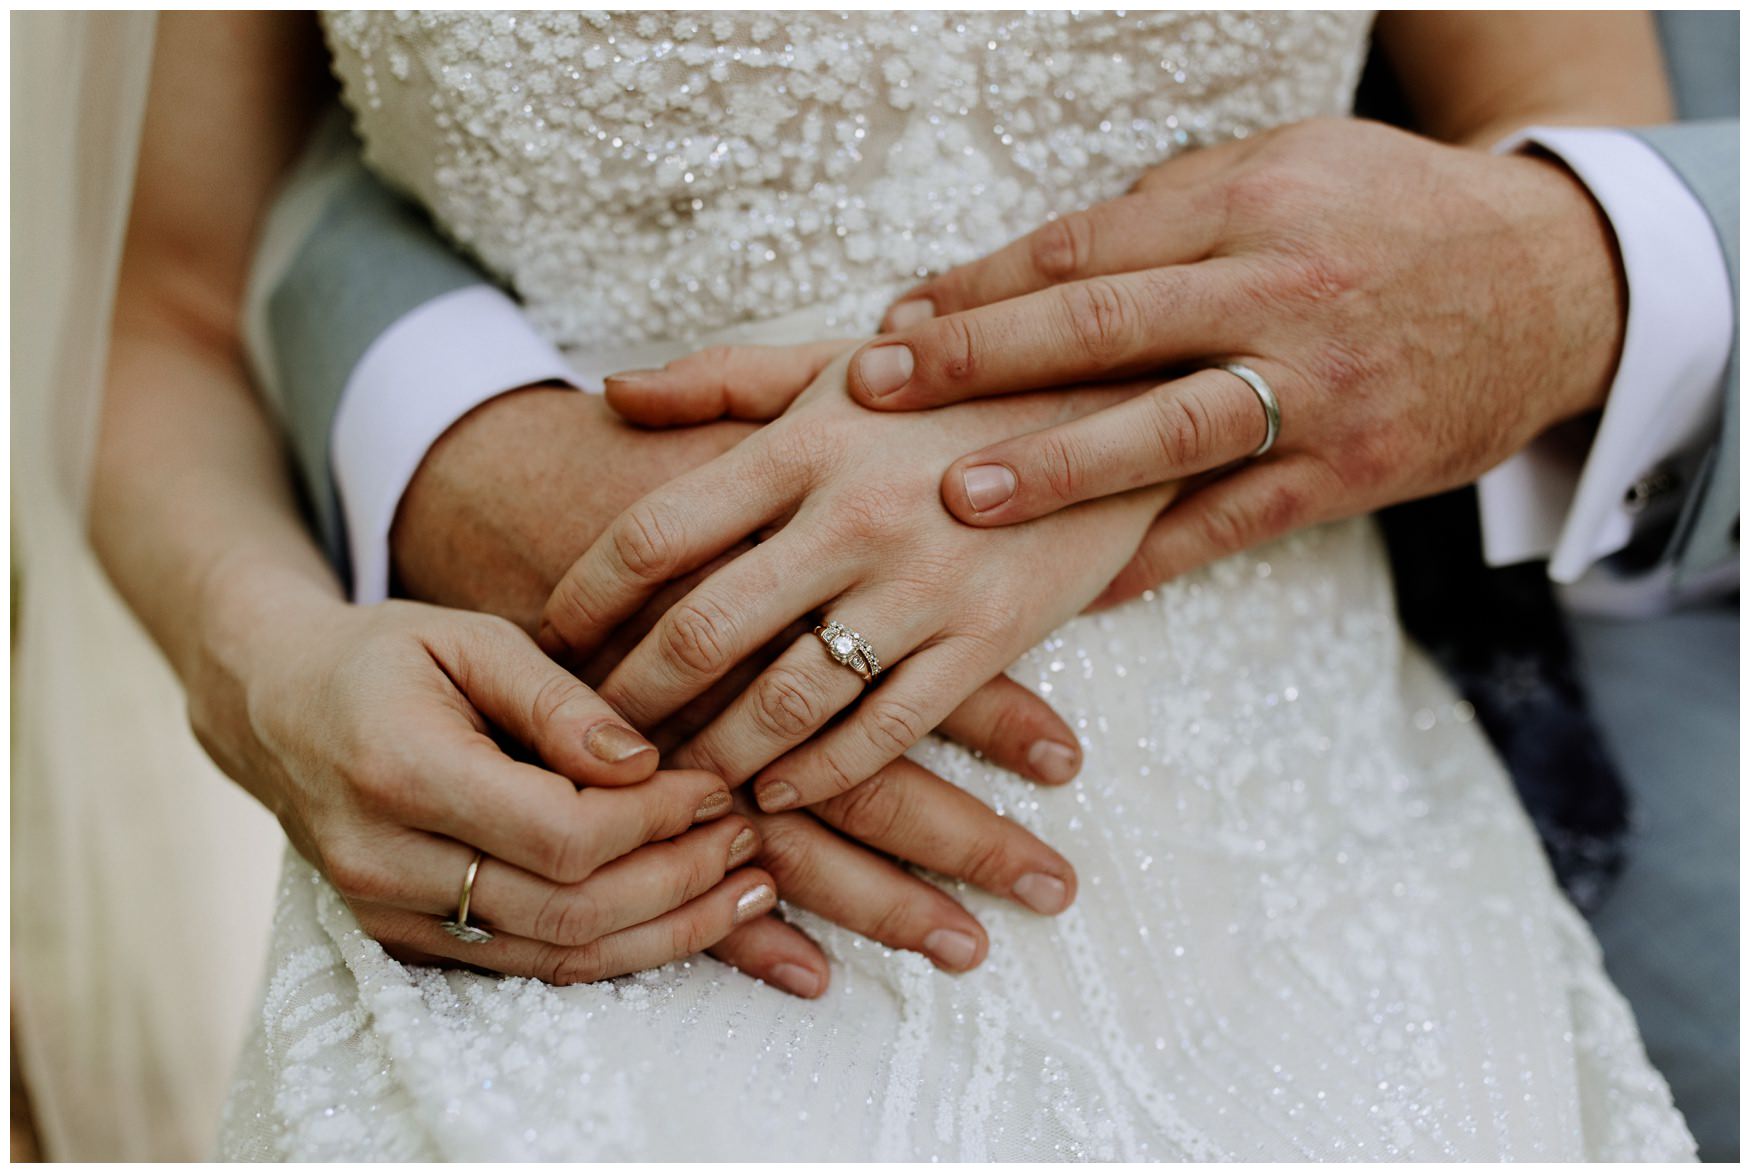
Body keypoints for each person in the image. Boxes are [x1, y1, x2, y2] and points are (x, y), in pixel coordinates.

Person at [80, 10, 1697, 1160]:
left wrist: (1097, 427)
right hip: (598, 865)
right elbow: (158, 312)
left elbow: (1556, 199)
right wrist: (271, 665)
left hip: (1317, 891)